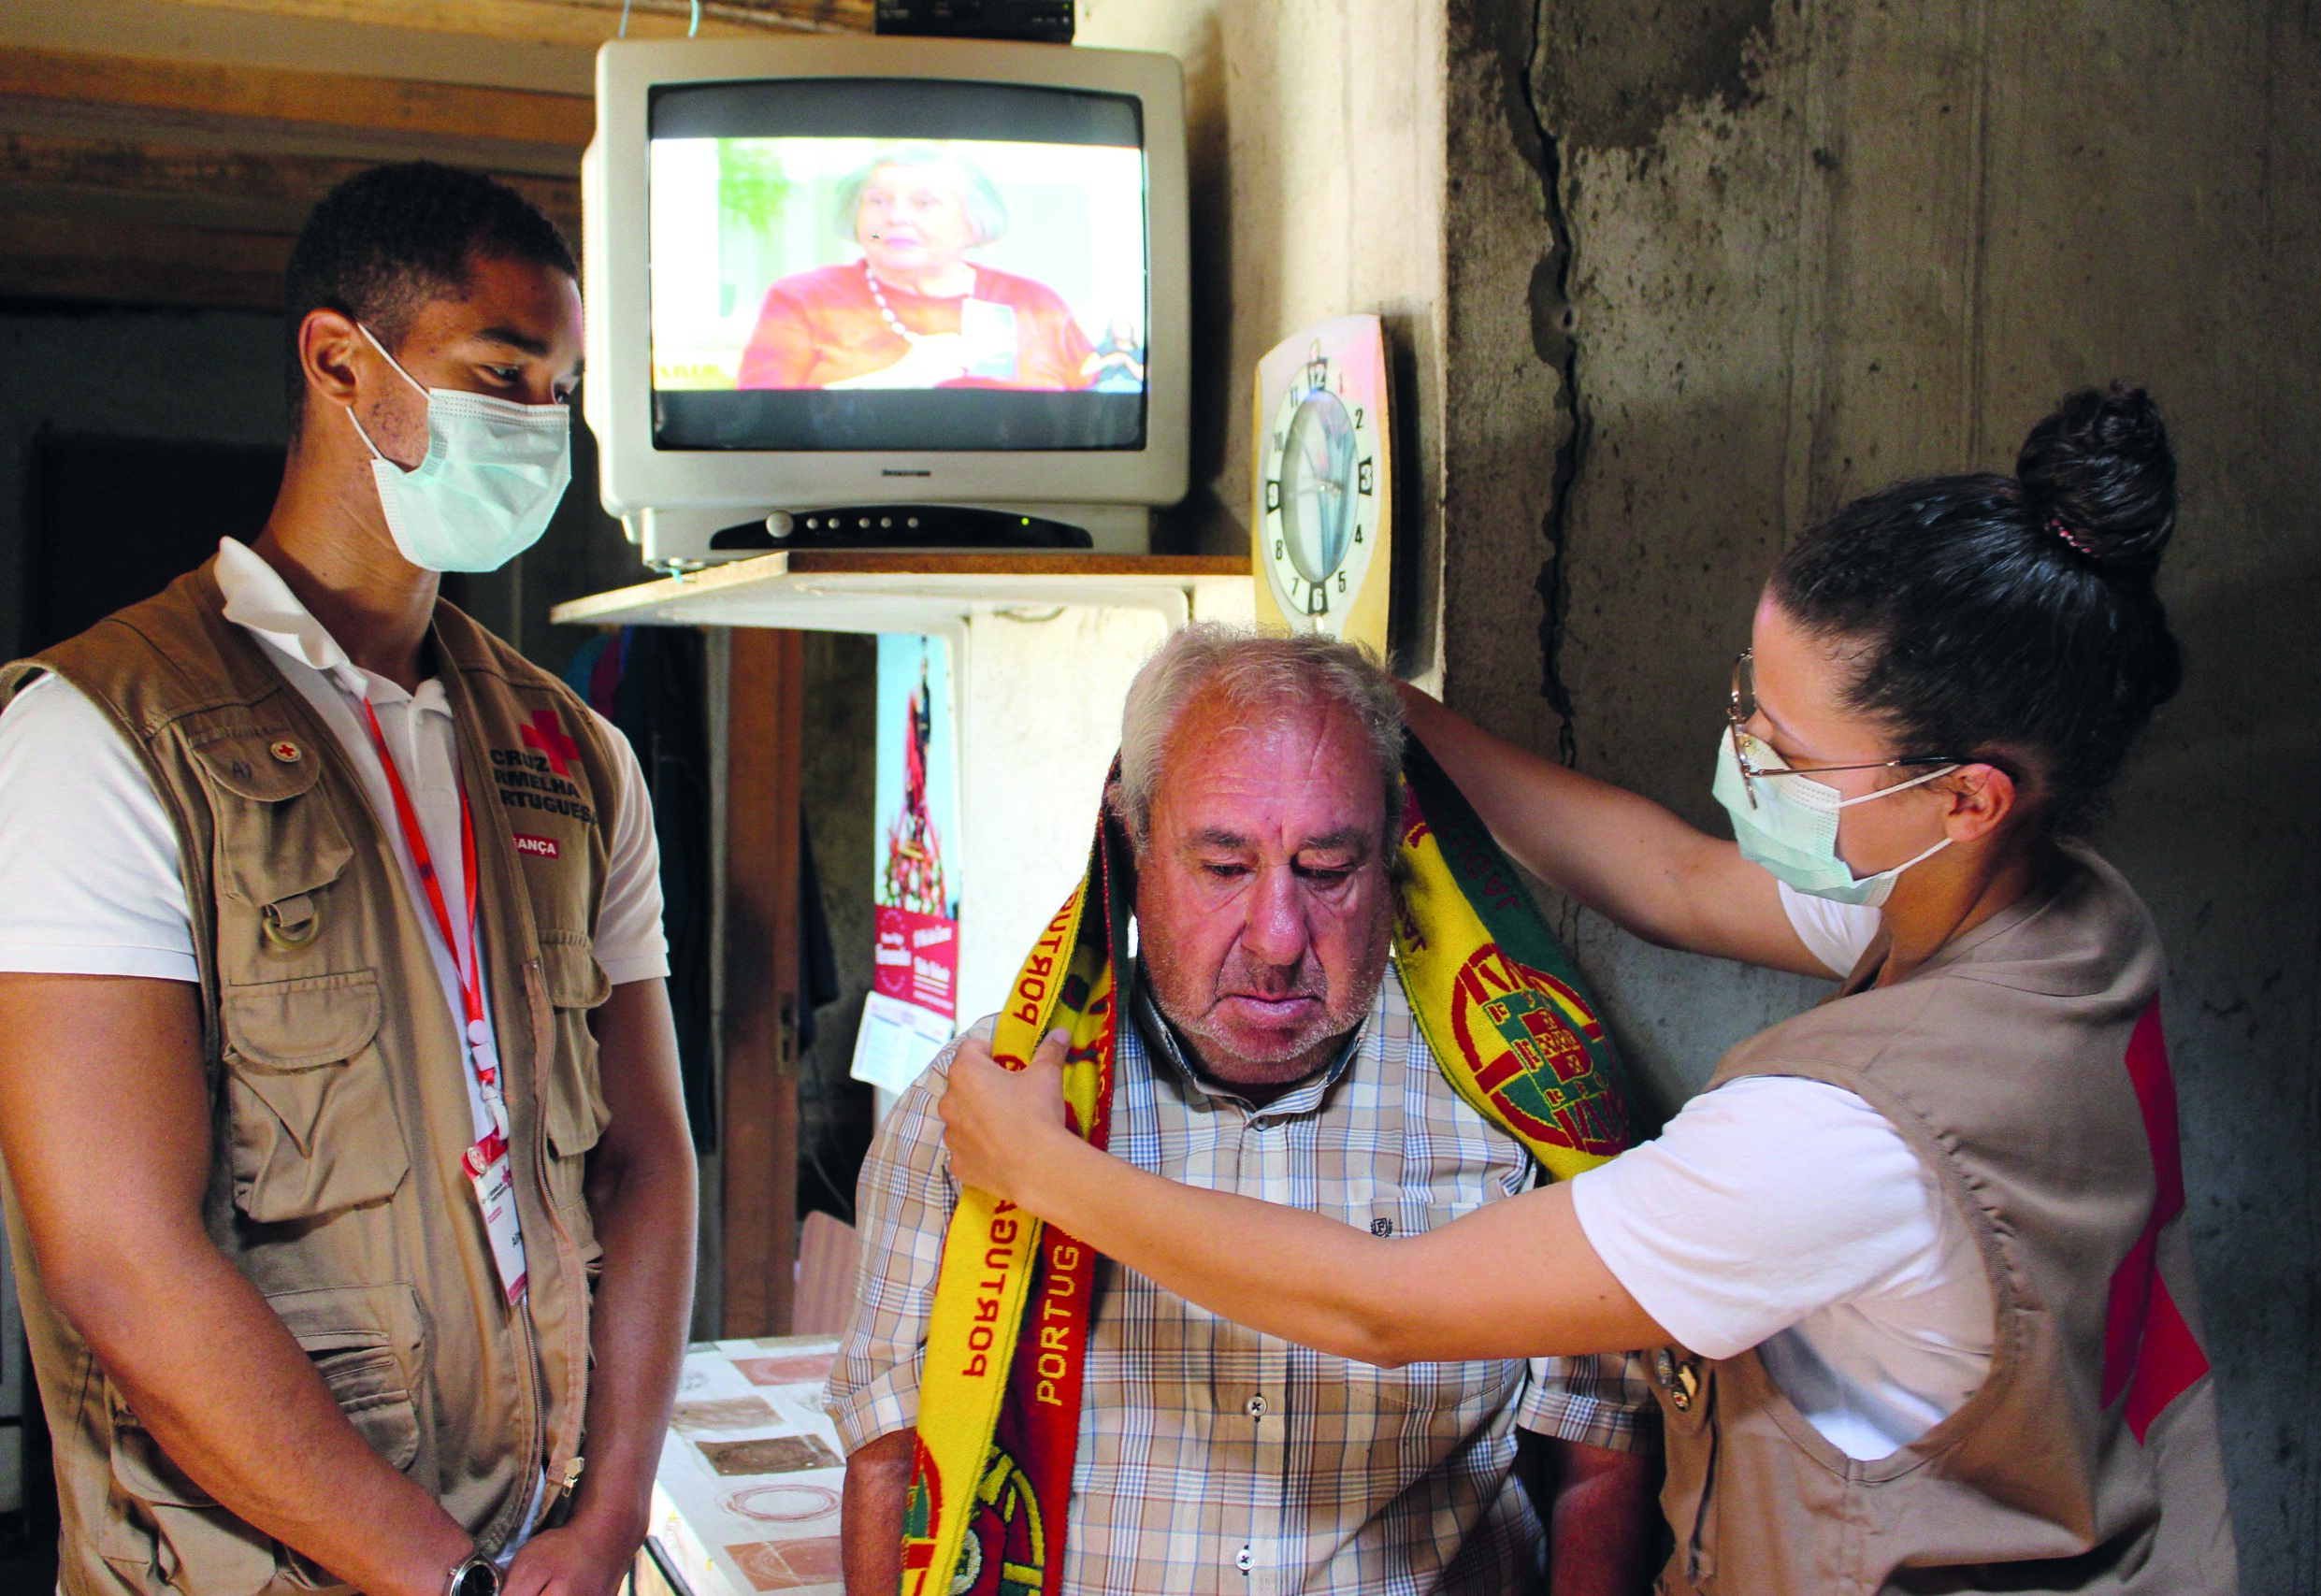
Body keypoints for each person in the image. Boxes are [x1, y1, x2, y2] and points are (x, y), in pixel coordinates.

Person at [942, 386, 2239, 1593]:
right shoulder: (2063, 917)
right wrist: (1373, 709)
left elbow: (1384, 1306)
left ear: (1967, 793)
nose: (1739, 758)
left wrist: (1043, 1171)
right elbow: (1669, 874)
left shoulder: (1831, 1140)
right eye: (1748, 703)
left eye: (1784, 752)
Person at [0, 162, 699, 1596]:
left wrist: (613, 1512)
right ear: (340, 362)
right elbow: (119, 1258)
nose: (537, 428)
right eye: (502, 373)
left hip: (540, 1544)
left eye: (560, 393)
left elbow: (648, 1159)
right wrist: (441, 1574)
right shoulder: (100, 733)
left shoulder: (574, 757)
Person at [830, 630, 1661, 1596]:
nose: (1276, 939)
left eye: (1326, 869)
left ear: (1393, 849)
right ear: (1129, 839)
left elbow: (1599, 1459)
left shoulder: (1520, 1102)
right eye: (1224, 868)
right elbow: (893, 1458)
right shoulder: (981, 1105)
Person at [735, 144, 1098, 392]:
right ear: (856, 216)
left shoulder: (1034, 303)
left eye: (924, 203)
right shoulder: (803, 299)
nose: (895, 219)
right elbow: (756, 421)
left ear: (973, 222)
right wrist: (899, 378)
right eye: (877, 201)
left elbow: (1096, 417)